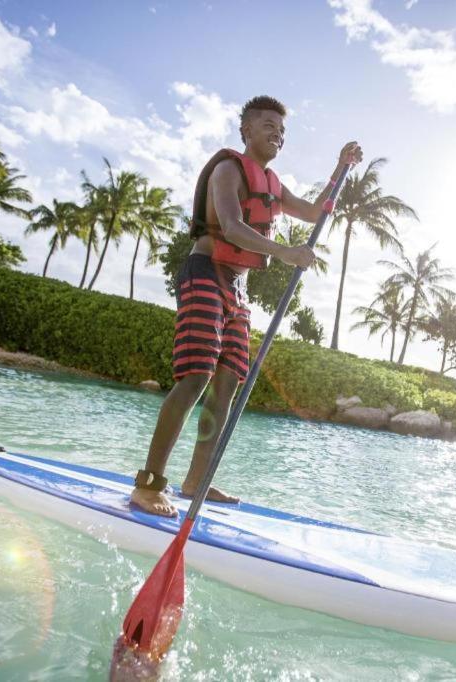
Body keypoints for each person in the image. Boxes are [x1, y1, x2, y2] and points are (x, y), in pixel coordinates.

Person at [131, 95, 362, 517]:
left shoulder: (273, 184)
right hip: (205, 272)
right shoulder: (228, 170)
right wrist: (285, 252)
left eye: (283, 130)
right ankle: (148, 485)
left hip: (238, 289)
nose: (278, 134)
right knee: (196, 375)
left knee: (228, 383)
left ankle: (196, 481)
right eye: (269, 126)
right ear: (246, 130)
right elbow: (232, 227)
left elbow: (314, 212)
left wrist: (339, 168)